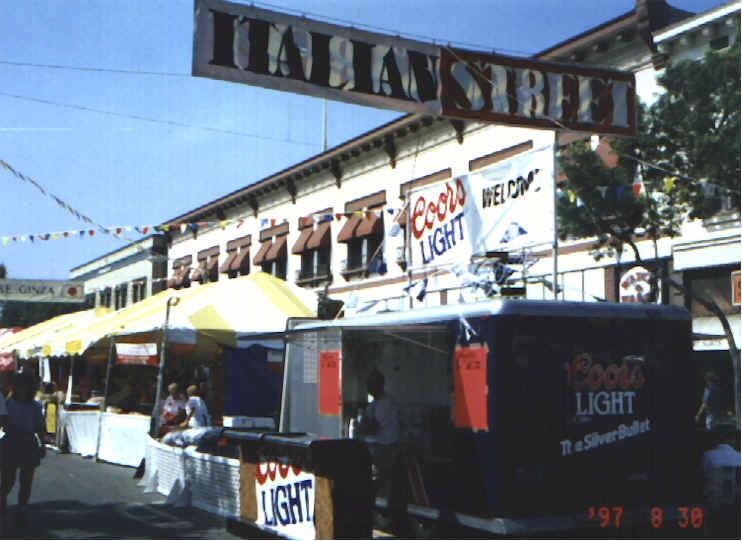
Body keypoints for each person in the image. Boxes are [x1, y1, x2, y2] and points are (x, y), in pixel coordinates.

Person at [357, 369, 405, 533]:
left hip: (384, 449)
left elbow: (371, 428)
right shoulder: (374, 403)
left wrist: (363, 425)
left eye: (371, 384)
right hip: (377, 448)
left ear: (379, 385)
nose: (369, 388)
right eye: (368, 384)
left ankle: (374, 518)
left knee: (375, 485)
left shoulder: (385, 403)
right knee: (376, 485)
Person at [1, 372, 45, 526]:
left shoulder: (36, 405)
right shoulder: (8, 404)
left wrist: (43, 444)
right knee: (8, 480)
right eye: (19, 385)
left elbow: (40, 427)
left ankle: (22, 508)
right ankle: (2, 500)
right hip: (11, 441)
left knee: (26, 480)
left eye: (26, 385)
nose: (22, 389)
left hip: (28, 442)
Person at [700, 423, 740, 537]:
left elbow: (701, 478)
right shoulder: (740, 457)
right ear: (732, 439)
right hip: (736, 510)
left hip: (713, 509)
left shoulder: (708, 456)